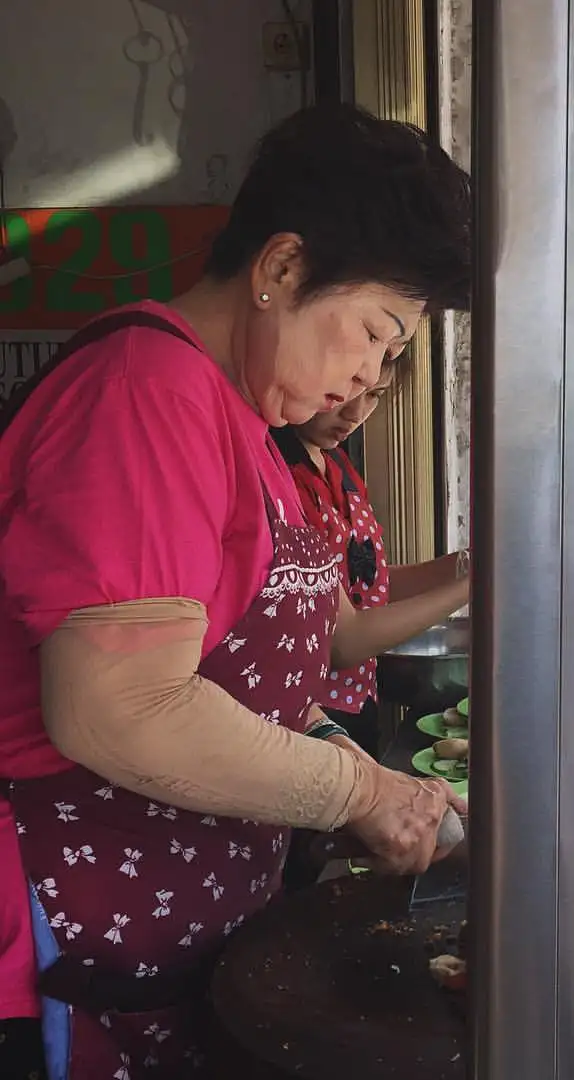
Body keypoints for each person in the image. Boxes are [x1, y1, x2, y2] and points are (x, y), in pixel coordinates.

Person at [0, 102, 470, 1079]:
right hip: (72, 941)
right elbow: (119, 708)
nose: (366, 376)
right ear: (282, 268)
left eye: (392, 359)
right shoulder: (146, 390)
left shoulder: (242, 421)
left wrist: (348, 757)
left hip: (180, 937)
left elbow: (242, 671)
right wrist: (359, 789)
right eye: (375, 333)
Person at [271, 384, 470, 754]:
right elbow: (341, 642)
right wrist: (475, 585)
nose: (355, 413)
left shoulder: (336, 464)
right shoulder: (281, 477)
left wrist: (468, 563)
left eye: (375, 394)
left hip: (359, 702)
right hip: (308, 719)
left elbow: (368, 584)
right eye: (344, 390)